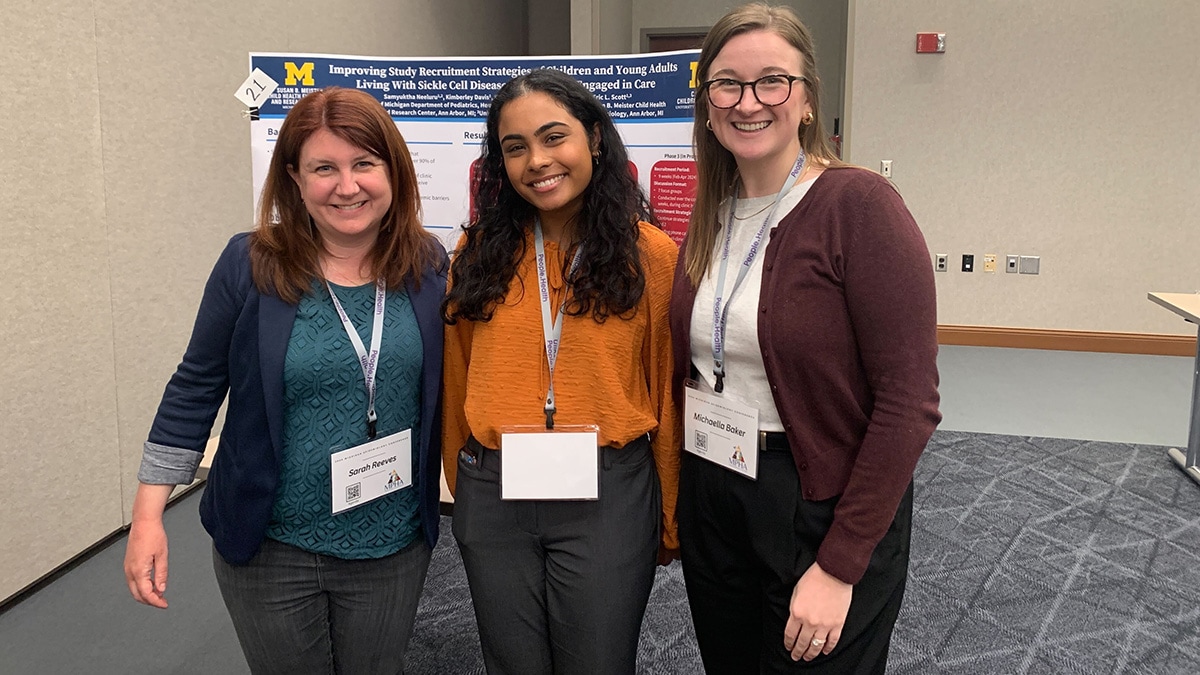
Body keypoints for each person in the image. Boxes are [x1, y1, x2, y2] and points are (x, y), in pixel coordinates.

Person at [122, 87, 447, 674]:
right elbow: (195, 387)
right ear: (295, 178)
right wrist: (148, 517)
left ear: (393, 171)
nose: (347, 186)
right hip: (271, 543)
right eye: (325, 168)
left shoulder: (427, 267)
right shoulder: (250, 264)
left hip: (390, 541)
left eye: (364, 164)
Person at [670, 4, 941, 673]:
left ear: (808, 100)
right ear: (707, 104)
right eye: (726, 84)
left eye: (771, 81)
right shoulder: (712, 214)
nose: (747, 101)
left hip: (820, 499)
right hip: (718, 484)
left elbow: (909, 400)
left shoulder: (860, 207)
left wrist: (840, 564)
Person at [441, 68, 680, 675]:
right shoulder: (478, 255)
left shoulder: (648, 253)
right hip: (496, 490)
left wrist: (671, 516)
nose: (536, 161)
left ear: (595, 139)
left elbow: (668, 386)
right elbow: (456, 379)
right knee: (512, 662)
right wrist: (463, 488)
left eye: (554, 138)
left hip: (607, 491)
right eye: (515, 147)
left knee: (597, 662)